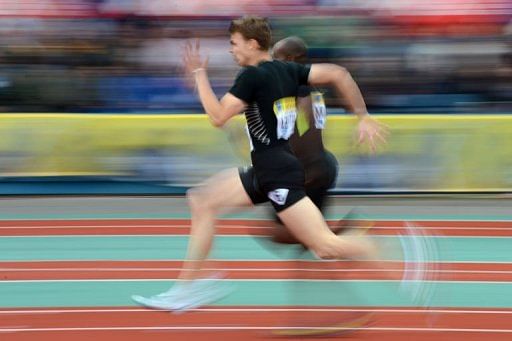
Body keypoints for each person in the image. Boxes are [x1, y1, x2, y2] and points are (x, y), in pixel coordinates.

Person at [132, 16, 387, 312]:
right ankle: (188, 287)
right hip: (273, 167)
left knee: (321, 244)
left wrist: (200, 75)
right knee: (201, 200)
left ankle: (383, 252)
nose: (231, 50)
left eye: (234, 44)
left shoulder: (255, 76)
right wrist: (363, 116)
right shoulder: (290, 72)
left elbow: (218, 117)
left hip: (281, 172)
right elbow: (339, 74)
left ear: (253, 45)